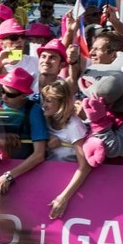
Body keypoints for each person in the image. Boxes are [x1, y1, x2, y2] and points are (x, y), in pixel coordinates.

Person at [0, 68, 49, 195]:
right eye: (2, 91)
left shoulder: (34, 111)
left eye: (10, 94)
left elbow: (39, 155)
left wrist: (9, 176)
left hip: (21, 173)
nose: (4, 97)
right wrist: (3, 135)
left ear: (23, 96)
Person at [41, 79, 91, 219]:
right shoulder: (45, 118)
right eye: (44, 100)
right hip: (45, 179)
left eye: (49, 101)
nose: (44, 105)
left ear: (62, 102)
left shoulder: (74, 126)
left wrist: (64, 197)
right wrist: (48, 136)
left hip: (66, 184)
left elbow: (85, 167)